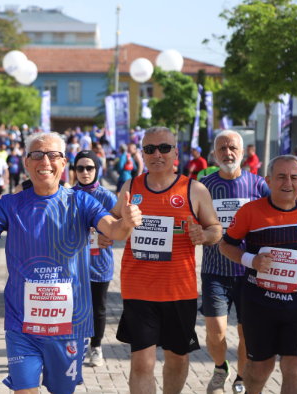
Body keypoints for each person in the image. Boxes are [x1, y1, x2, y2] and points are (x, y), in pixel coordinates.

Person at [0, 132, 142, 394]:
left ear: (63, 163)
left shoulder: (81, 201)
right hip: (22, 322)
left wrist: (126, 222)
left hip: (68, 324)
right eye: (37, 154)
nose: (45, 161)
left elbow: (113, 231)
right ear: (26, 163)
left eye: (53, 155)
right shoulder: (9, 204)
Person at [112, 126, 222, 394]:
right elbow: (113, 222)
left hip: (178, 290)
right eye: (149, 149)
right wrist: (115, 228)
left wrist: (203, 235)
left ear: (176, 152)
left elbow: (216, 230)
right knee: (141, 363)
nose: (156, 154)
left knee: (177, 359)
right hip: (138, 289)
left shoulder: (194, 189)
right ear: (142, 154)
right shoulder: (131, 186)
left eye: (163, 148)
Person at [219, 155, 297, 394]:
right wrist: (251, 260)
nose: (288, 182)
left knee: (296, 367)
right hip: (259, 301)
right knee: (258, 369)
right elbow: (226, 245)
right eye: (281, 177)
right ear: (268, 180)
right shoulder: (250, 211)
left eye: (294, 177)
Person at [199, 130, 270, 394]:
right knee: (215, 333)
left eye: (233, 148)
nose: (228, 153)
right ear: (214, 154)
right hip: (214, 270)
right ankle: (221, 368)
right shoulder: (204, 186)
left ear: (243, 152)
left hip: (249, 272)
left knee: (245, 334)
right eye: (222, 149)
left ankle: (241, 377)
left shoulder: (259, 185)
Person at [72, 150, 118, 367]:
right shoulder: (68, 195)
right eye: (80, 168)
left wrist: (105, 234)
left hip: (99, 263)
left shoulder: (108, 197)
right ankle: (75, 345)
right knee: (76, 306)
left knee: (98, 307)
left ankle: (96, 347)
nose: (84, 172)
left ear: (97, 169)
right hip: (73, 264)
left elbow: (119, 229)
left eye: (89, 167)